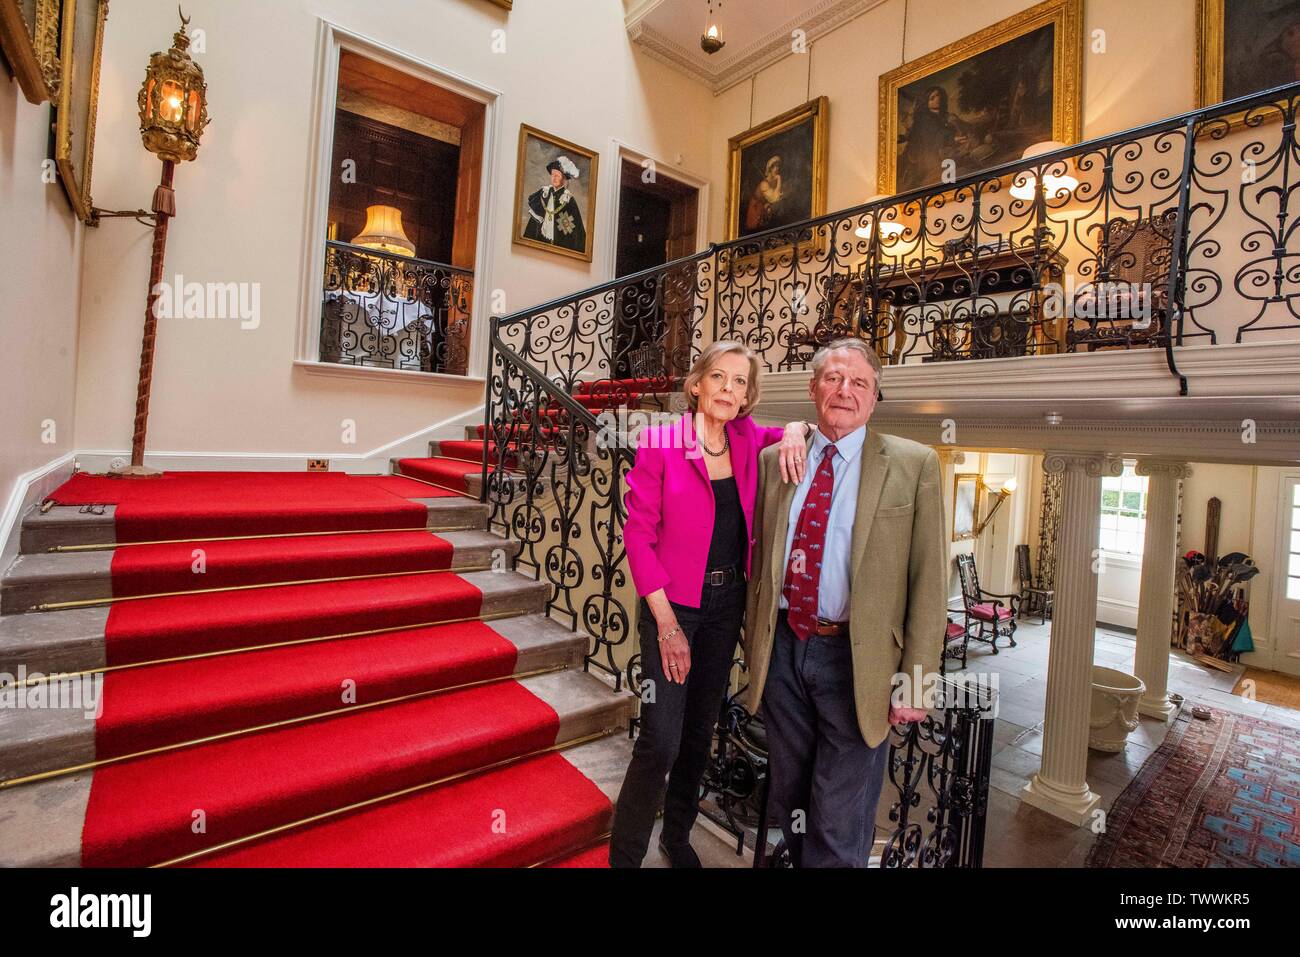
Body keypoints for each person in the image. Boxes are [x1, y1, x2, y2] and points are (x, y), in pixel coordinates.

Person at [744, 337, 946, 867]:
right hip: (786, 651)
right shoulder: (776, 460)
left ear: (876, 397)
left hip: (859, 661)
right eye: (833, 378)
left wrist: (917, 680)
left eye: (859, 382)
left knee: (838, 815)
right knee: (791, 798)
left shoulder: (913, 463)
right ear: (812, 389)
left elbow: (929, 582)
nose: (844, 391)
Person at [610, 341, 810, 867]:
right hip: (671, 607)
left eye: (739, 382)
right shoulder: (662, 442)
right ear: (696, 384)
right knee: (660, 741)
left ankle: (677, 839)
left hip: (727, 606)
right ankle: (624, 858)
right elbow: (638, 536)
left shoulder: (747, 440)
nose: (728, 389)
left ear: (748, 395)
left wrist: (795, 429)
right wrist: (668, 626)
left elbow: (797, 433)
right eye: (718, 377)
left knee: (701, 735)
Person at [523, 155, 586, 252]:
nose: (554, 178)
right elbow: (533, 225)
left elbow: (577, 231)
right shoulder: (544, 194)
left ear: (563, 178)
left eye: (557, 175)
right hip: (540, 245)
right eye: (552, 175)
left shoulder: (568, 200)